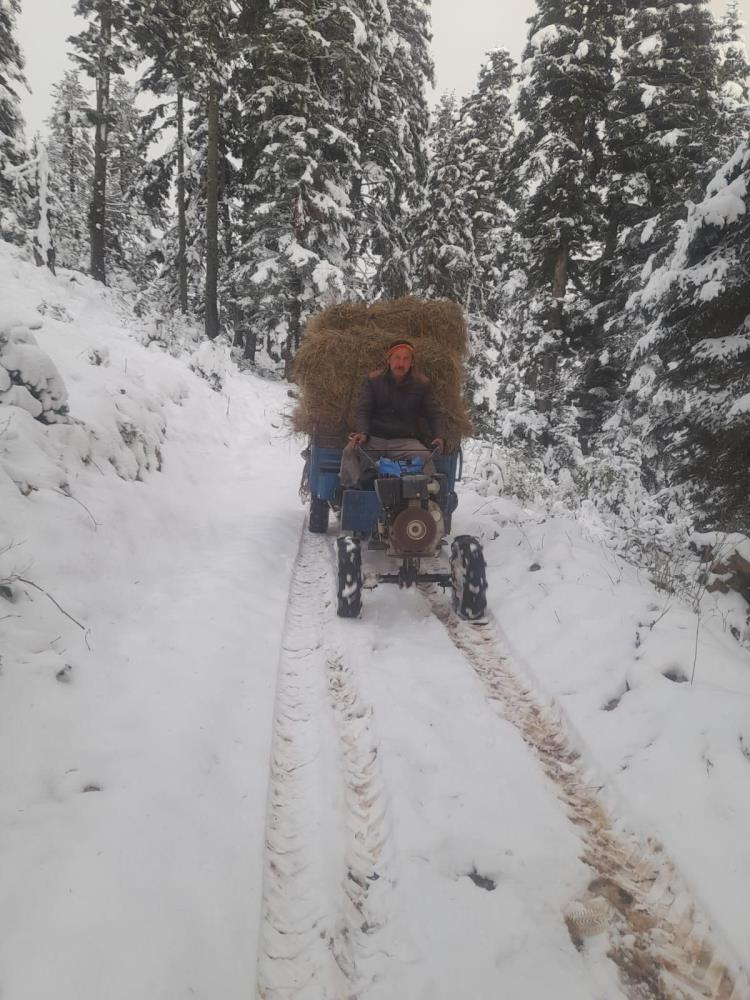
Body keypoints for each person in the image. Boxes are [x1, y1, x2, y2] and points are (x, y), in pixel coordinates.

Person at [339, 339, 446, 487]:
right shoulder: (373, 380)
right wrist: (362, 433)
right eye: (397, 357)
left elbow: (434, 413)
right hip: (375, 439)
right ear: (388, 359)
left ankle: (429, 499)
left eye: (406, 358)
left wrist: (439, 436)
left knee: (424, 457)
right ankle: (351, 490)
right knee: (350, 451)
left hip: (405, 441)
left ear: (411, 363)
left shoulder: (422, 384)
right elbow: (364, 409)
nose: (401, 363)